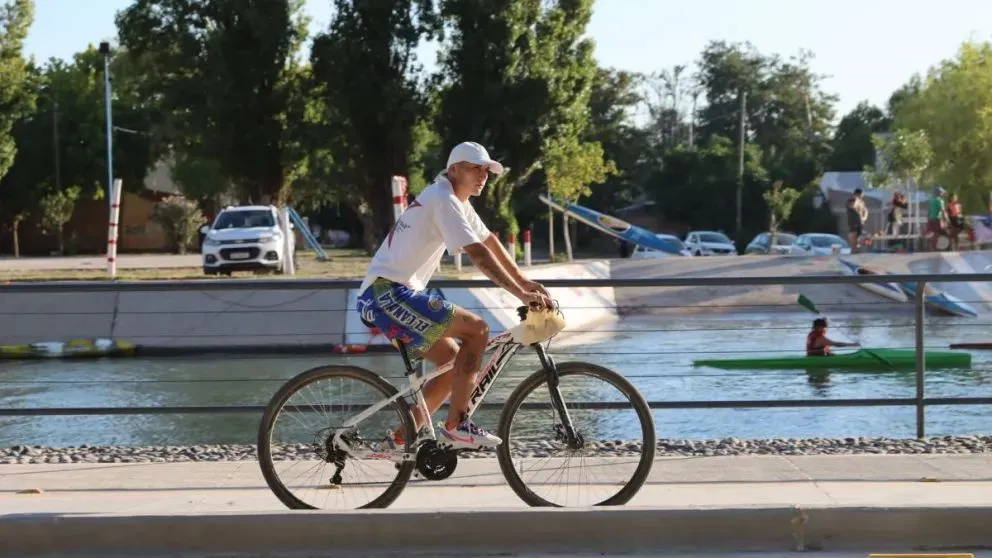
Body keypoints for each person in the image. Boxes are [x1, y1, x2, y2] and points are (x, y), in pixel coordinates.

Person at [356, 141, 554, 451]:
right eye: (476, 168)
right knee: (477, 330)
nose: (483, 176)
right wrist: (521, 294)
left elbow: (488, 241)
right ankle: (458, 425)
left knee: (453, 365)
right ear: (453, 170)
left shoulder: (457, 202)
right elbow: (478, 255)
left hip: (391, 294)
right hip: (386, 294)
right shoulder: (443, 199)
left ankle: (401, 437)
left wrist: (525, 282)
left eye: (486, 170)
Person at [927, 186, 948, 251]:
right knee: (942, 232)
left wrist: (928, 218)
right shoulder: (940, 200)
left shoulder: (931, 200)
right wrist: (947, 219)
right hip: (937, 219)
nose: (943, 194)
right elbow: (943, 211)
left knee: (933, 233)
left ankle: (932, 247)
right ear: (939, 193)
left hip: (930, 219)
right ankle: (938, 248)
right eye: (942, 192)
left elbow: (929, 211)